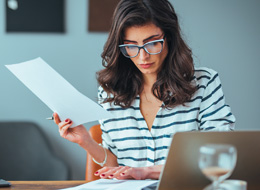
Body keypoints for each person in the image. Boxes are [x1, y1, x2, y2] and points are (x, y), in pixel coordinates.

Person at [54, 0, 235, 180]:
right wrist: (85, 141)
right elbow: (116, 167)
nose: (143, 56)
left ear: (169, 38)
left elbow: (219, 157)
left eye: (152, 43)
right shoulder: (110, 92)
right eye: (131, 46)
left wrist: (146, 172)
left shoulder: (203, 83)